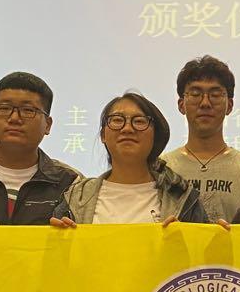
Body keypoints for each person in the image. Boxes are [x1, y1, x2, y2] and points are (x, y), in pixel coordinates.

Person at [52, 92, 214, 225]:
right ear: (103, 135)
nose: (127, 129)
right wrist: (58, 238)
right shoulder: (76, 198)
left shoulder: (182, 198)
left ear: (155, 135)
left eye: (139, 121)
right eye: (117, 120)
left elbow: (202, 253)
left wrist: (218, 237)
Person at [159, 55, 240, 222]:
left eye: (215, 94)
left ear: (230, 105)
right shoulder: (161, 168)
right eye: (195, 94)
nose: (205, 103)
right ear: (181, 105)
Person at [0, 71, 80, 224]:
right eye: (4, 108)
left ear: (48, 125)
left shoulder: (70, 183)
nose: (14, 118)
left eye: (28, 110)